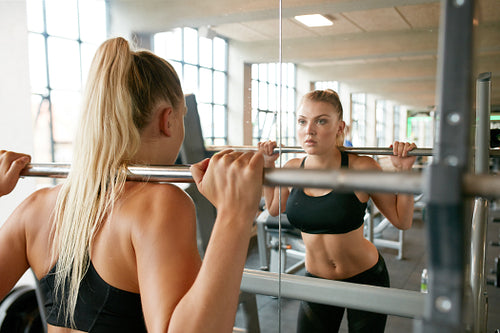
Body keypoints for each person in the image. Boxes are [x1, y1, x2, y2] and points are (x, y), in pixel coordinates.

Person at [0, 37, 265, 333]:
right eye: (182, 117)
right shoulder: (160, 203)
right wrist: (234, 215)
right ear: (169, 120)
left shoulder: (34, 208)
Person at [258, 89, 416, 333]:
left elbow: (401, 220)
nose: (309, 130)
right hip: (317, 279)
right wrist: (268, 167)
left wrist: (403, 172)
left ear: (339, 127)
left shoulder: (361, 168)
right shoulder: (291, 168)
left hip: (365, 278)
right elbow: (273, 207)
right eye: (302, 121)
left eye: (321, 121)